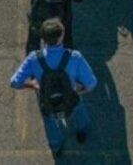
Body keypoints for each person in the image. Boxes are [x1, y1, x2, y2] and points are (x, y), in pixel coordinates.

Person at [9, 18, 95, 159]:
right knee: (79, 112)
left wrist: (31, 85)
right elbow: (91, 84)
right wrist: (78, 91)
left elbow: (14, 82)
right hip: (70, 101)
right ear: (61, 36)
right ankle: (82, 132)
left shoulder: (33, 59)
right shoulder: (75, 57)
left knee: (51, 126)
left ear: (43, 38)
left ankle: (56, 147)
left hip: (48, 103)